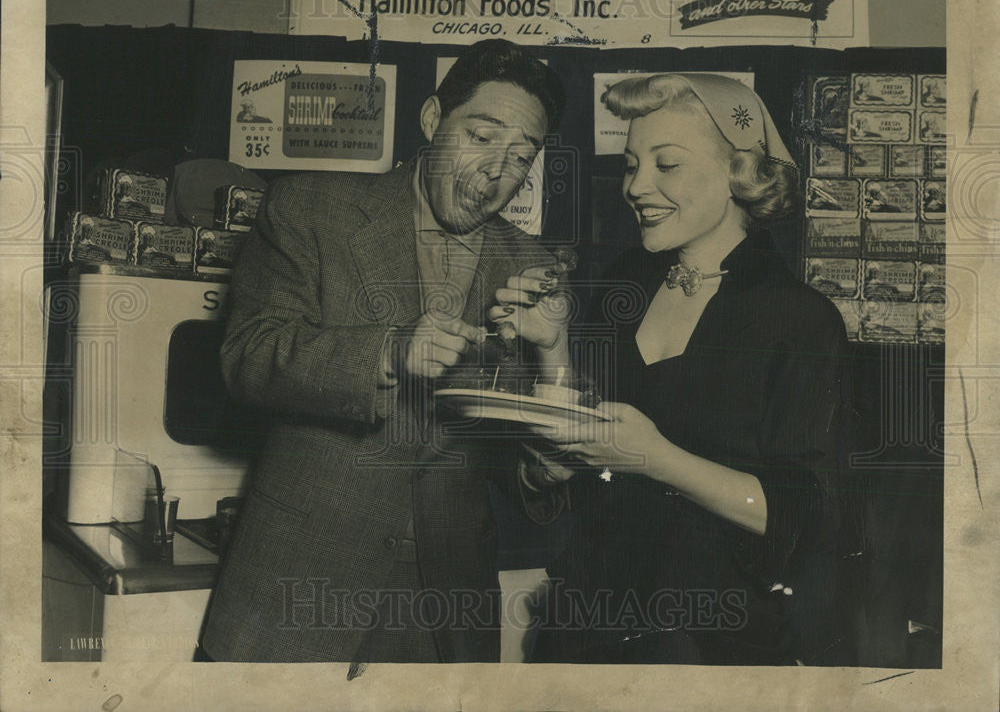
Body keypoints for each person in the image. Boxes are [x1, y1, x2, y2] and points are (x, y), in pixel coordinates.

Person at [200, 40, 568, 663]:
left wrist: (542, 462)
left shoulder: (530, 265)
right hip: (300, 584)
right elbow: (249, 356)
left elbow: (505, 446)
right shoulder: (311, 209)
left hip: (444, 609)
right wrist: (391, 352)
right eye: (480, 137)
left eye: (520, 157)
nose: (495, 172)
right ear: (431, 120)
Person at [501, 73, 853, 665]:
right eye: (632, 164)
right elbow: (578, 437)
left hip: (710, 644)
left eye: (667, 165)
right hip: (582, 626)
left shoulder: (800, 319)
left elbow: (809, 516)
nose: (636, 187)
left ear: (740, 173)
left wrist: (657, 457)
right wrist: (552, 346)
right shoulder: (623, 282)